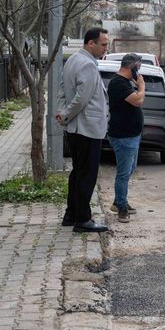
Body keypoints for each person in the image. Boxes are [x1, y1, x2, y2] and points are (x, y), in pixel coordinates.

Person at [56, 28, 110, 233]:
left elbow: (62, 89)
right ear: (90, 43)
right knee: (87, 174)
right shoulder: (87, 64)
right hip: (86, 128)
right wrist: (66, 114)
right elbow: (82, 98)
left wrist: (62, 112)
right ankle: (83, 219)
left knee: (78, 173)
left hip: (77, 128)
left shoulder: (73, 60)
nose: (106, 48)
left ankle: (71, 214)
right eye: (103, 44)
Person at [106, 53, 145, 224]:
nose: (139, 71)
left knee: (130, 169)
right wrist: (141, 86)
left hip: (132, 134)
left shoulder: (126, 82)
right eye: (139, 68)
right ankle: (121, 206)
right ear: (133, 67)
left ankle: (120, 200)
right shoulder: (118, 83)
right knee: (123, 173)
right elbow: (138, 100)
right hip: (123, 135)